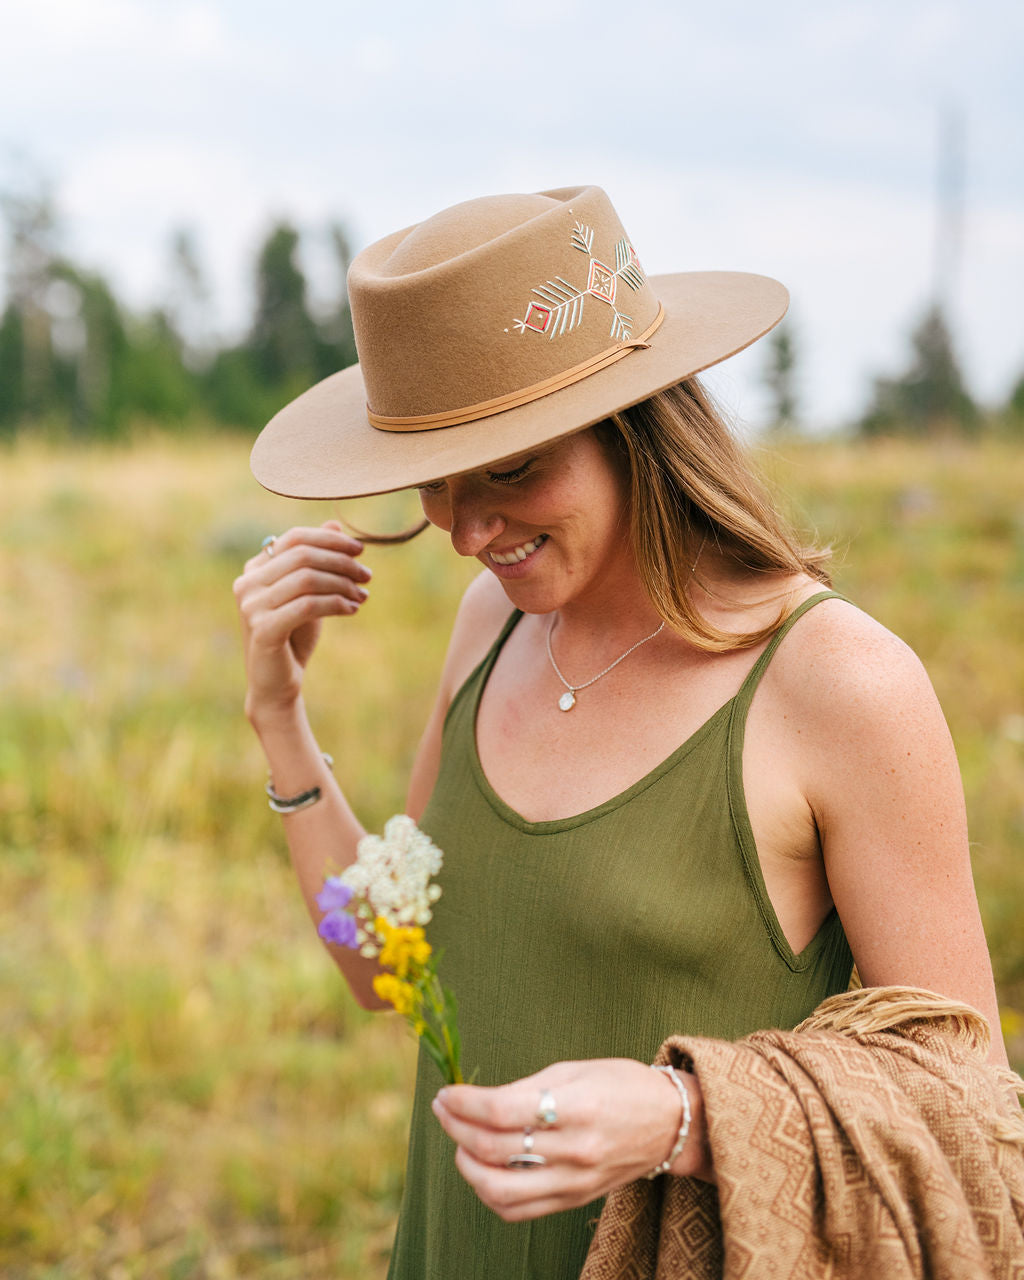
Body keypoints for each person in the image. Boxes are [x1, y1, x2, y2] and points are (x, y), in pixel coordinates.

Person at [234, 185, 1007, 1278]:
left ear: (637, 426)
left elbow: (962, 1102)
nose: (464, 529)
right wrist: (279, 717)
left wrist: (680, 1113)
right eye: (437, 480)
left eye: (509, 466)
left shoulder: (838, 684)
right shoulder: (493, 625)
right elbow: (387, 967)